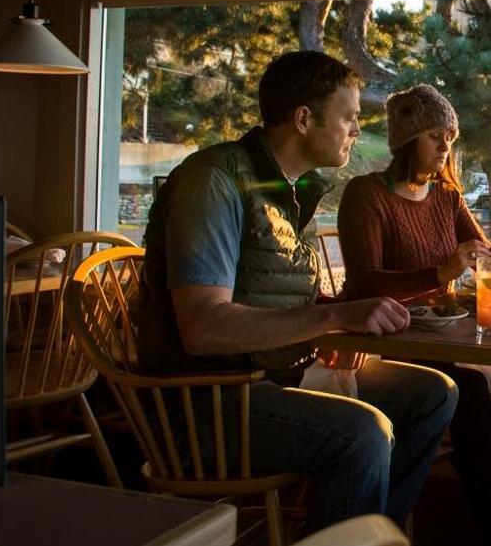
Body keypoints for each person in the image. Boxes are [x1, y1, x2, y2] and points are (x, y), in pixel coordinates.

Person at [135, 51, 457, 531]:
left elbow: (275, 296)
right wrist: (333, 319)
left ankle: (370, 534)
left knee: (434, 393)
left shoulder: (285, 190)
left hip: (275, 376)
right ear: (304, 119)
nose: (355, 131)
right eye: (348, 117)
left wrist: (344, 311)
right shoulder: (214, 182)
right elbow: (203, 328)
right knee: (363, 436)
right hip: (205, 401)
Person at [337, 84, 491, 542]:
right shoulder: (366, 196)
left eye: (450, 137)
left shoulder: (446, 198)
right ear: (406, 139)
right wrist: (442, 271)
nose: (445, 147)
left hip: (437, 336)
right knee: (473, 389)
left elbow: (484, 253)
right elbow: (365, 284)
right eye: (435, 135)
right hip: (377, 342)